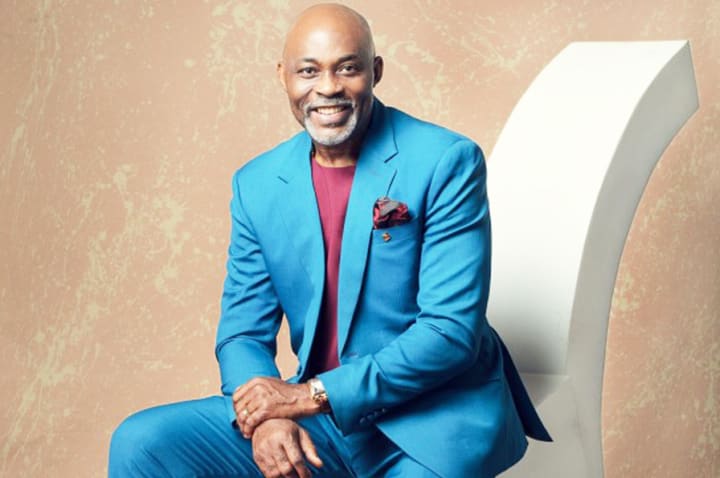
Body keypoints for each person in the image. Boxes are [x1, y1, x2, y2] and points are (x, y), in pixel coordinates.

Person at [109, 3, 551, 477]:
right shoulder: (257, 184)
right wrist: (266, 417)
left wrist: (307, 397)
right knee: (142, 443)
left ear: (375, 71)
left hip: (432, 424)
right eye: (308, 71)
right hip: (322, 423)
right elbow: (243, 332)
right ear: (283, 77)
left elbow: (448, 333)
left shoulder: (445, 160)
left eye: (347, 68)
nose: (328, 87)